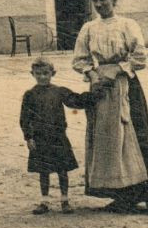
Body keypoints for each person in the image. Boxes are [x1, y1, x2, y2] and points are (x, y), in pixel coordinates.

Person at [72, 0, 148, 215]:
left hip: (125, 83)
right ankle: (119, 197)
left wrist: (118, 70)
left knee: (134, 135)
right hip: (101, 89)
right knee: (107, 140)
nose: (100, 4)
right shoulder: (89, 28)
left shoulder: (127, 24)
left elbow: (140, 56)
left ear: (113, 0)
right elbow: (80, 59)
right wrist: (93, 75)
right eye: (95, 1)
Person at [20, 57, 110, 214]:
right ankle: (44, 202)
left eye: (46, 73)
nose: (42, 77)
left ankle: (65, 201)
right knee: (44, 172)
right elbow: (24, 119)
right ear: (32, 74)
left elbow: (77, 101)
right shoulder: (29, 95)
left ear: (52, 73)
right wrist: (29, 137)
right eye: (38, 73)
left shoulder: (59, 92)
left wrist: (96, 93)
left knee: (62, 170)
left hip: (58, 137)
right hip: (40, 139)